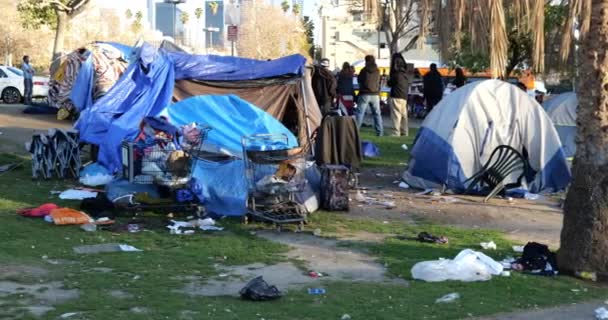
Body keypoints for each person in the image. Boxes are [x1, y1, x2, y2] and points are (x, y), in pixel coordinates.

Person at [356, 55, 383, 136]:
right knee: (377, 114)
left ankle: (356, 131)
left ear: (366, 61)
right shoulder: (378, 71)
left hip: (364, 93)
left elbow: (359, 80)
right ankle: (380, 132)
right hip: (375, 94)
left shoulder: (363, 70)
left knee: (360, 113)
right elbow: (379, 82)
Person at [387, 53, 412, 137]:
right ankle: (405, 132)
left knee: (396, 115)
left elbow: (389, 84)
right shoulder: (405, 75)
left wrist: (388, 79)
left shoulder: (396, 75)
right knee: (404, 116)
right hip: (404, 96)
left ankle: (395, 132)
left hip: (396, 95)